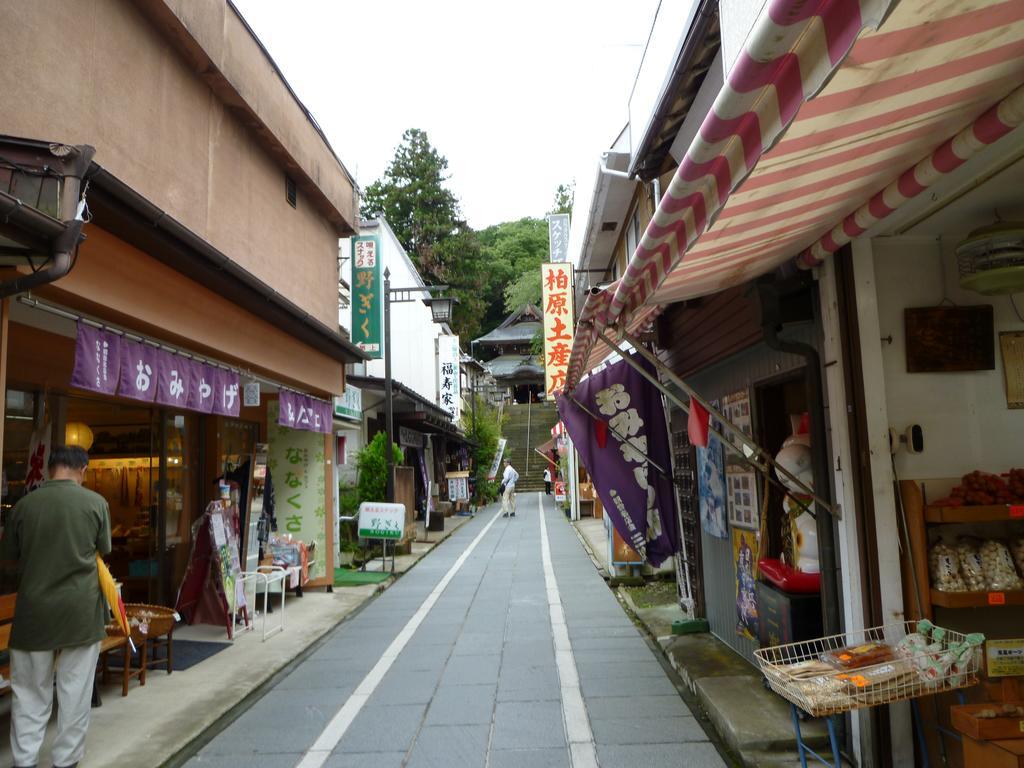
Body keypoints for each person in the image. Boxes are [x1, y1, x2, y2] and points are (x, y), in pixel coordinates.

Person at [1, 445, 111, 768]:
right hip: (80, 612)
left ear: (50, 469)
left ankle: (25, 760)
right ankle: (66, 760)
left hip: (34, 613)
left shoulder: (24, 506)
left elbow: (9, 554)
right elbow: (103, 549)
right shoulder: (96, 504)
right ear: (83, 470)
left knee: (29, 692)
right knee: (75, 690)